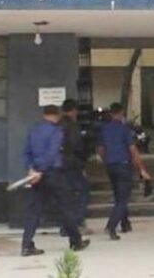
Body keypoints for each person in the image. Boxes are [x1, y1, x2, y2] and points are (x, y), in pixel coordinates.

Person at [21, 105, 90, 256]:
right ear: (57, 115)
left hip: (36, 175)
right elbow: (52, 154)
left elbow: (26, 152)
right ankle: (75, 241)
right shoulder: (56, 131)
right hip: (53, 173)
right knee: (66, 207)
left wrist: (31, 170)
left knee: (34, 210)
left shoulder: (34, 130)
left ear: (44, 114)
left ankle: (26, 244)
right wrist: (41, 170)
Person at [97, 102, 151, 240]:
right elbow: (133, 151)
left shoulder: (104, 129)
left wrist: (106, 160)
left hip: (111, 166)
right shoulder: (124, 130)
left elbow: (100, 149)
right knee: (123, 199)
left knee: (118, 195)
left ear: (110, 113)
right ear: (121, 113)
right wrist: (141, 169)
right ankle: (111, 226)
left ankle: (125, 223)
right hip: (123, 165)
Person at [59, 99, 92, 235]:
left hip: (58, 164)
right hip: (72, 164)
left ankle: (65, 226)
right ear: (73, 111)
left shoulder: (57, 125)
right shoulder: (72, 126)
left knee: (66, 195)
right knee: (83, 190)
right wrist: (82, 162)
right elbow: (77, 146)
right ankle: (77, 222)